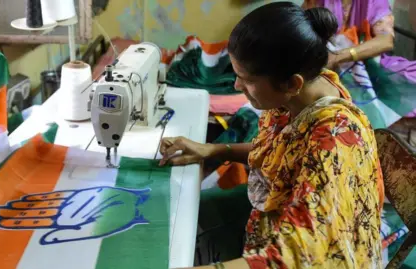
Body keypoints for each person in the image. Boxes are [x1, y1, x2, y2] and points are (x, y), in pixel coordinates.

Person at [160, 2, 384, 269]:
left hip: (309, 256)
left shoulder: (334, 144)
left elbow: (290, 259)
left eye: (245, 79)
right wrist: (216, 150)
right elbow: (281, 148)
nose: (236, 85)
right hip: (274, 220)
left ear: (292, 83)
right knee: (174, 218)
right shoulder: (305, 93)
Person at [303, 0, 416, 128]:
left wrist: (338, 57)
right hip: (326, 61)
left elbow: (386, 41)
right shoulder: (316, 2)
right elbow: (303, 30)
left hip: (368, 61)